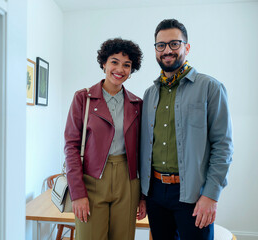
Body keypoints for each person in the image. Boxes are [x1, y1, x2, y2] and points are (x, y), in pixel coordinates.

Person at [139, 19, 234, 240]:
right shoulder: (149, 94)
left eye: (174, 43)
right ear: (155, 50)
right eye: (160, 45)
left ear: (186, 47)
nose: (167, 50)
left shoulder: (211, 87)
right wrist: (143, 194)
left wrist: (211, 195)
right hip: (155, 193)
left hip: (193, 193)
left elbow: (223, 146)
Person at [64, 38, 145, 240]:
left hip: (128, 183)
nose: (120, 69)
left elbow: (144, 152)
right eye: (114, 62)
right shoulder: (83, 98)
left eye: (127, 65)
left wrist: (143, 196)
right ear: (104, 64)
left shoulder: (138, 104)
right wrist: (78, 193)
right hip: (91, 181)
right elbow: (71, 147)